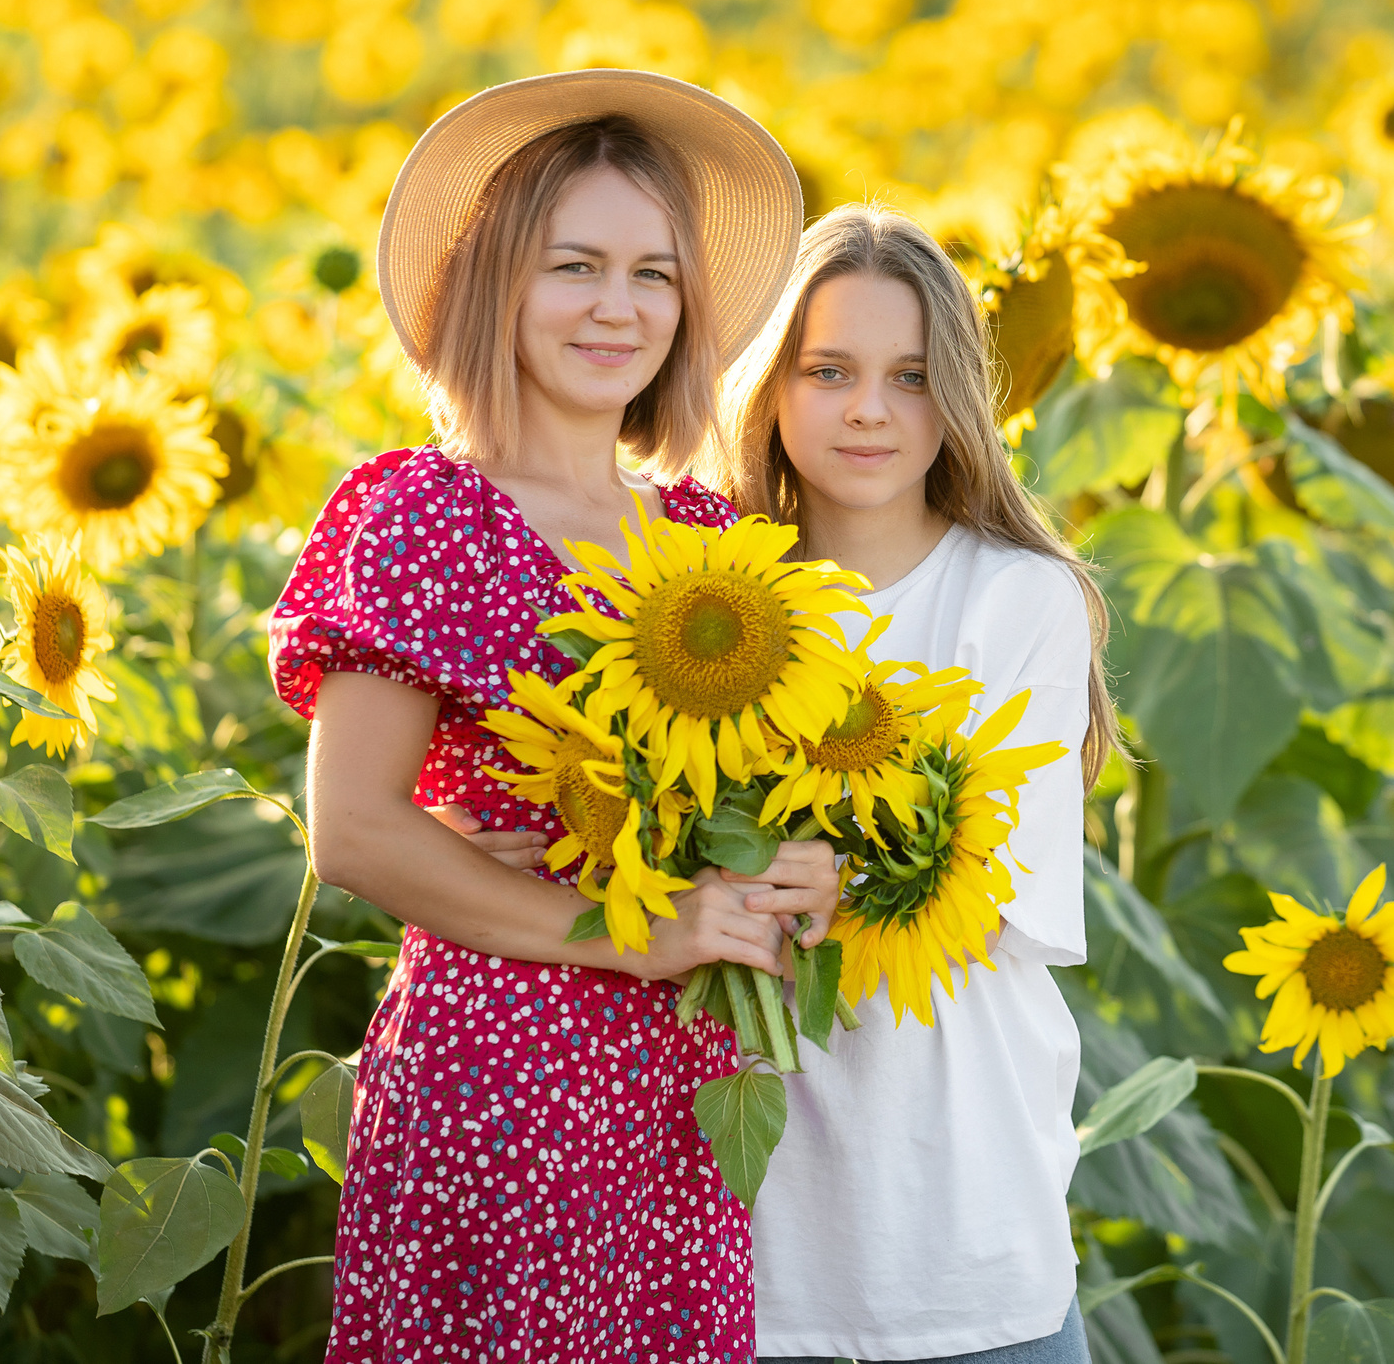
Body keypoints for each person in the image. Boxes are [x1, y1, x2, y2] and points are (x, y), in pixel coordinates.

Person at [451, 203, 1115, 1359]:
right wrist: (543, 823)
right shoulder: (699, 591)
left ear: (959, 397)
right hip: (741, 1236)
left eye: (911, 376)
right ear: (772, 388)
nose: (869, 409)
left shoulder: (1017, 599)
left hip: (954, 1215)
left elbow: (994, 891)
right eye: (829, 371)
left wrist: (839, 878)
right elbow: (603, 774)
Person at [270, 71, 842, 1364]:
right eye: (572, 264)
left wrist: (805, 865)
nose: (617, 307)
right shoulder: (423, 509)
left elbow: (754, 797)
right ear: (495, 283)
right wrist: (632, 937)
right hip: (506, 1071)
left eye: (653, 273)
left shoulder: (716, 535)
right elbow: (353, 827)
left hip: (684, 1092)